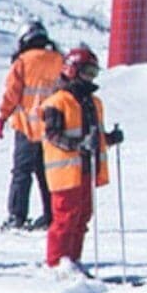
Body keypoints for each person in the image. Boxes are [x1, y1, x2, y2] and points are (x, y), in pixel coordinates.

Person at [29, 44, 122, 271]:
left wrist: (110, 138)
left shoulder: (93, 102)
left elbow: (96, 135)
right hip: (65, 172)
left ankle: (73, 260)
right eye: (87, 72)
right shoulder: (57, 102)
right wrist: (79, 145)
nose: (90, 78)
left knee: (82, 217)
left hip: (87, 169)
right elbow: (52, 135)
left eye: (94, 73)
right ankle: (56, 263)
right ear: (72, 71)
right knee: (65, 218)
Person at [0, 22, 66, 232]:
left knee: (22, 173)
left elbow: (12, 94)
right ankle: (52, 215)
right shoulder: (59, 60)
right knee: (47, 173)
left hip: (26, 127)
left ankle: (17, 216)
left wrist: (2, 117)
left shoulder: (22, 62)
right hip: (53, 128)